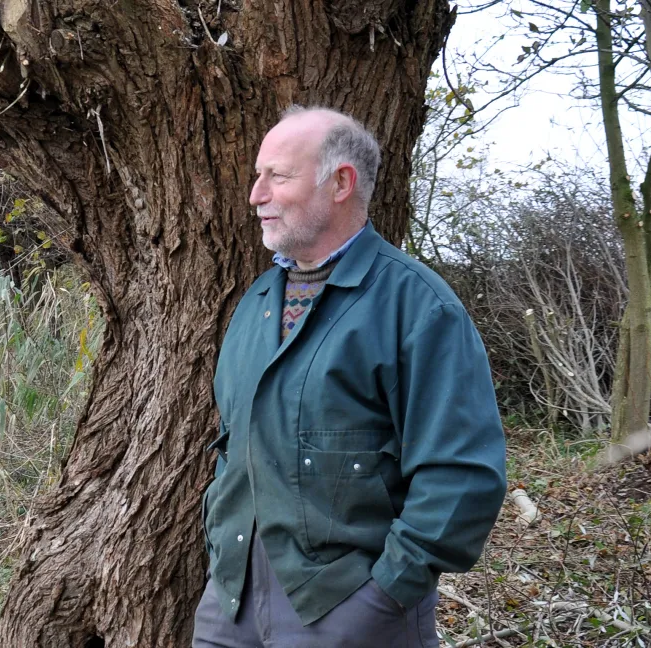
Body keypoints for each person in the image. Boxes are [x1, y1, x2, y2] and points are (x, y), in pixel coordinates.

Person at [194, 106, 507, 647]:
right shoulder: (256, 304)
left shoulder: (417, 307)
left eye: (279, 176)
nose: (256, 195)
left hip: (350, 610)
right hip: (231, 606)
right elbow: (233, 448)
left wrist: (384, 595)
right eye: (257, 175)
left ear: (341, 182)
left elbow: (462, 476)